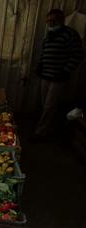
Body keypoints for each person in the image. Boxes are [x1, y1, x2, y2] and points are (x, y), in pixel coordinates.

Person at [34, 9, 83, 138]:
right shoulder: (49, 36)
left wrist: (66, 71)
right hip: (46, 76)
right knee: (46, 105)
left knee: (50, 106)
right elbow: (44, 54)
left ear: (61, 20)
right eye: (48, 21)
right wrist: (40, 66)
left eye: (52, 21)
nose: (50, 23)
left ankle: (41, 132)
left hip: (58, 78)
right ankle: (49, 128)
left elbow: (77, 55)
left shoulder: (70, 34)